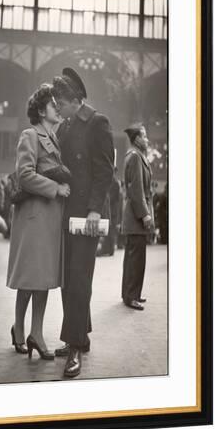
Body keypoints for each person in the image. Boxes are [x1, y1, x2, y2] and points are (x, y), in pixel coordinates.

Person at [53, 67, 114, 378]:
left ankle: (74, 346)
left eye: (60, 103)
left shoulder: (97, 123)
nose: (57, 109)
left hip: (86, 216)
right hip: (66, 213)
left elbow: (105, 173)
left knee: (79, 280)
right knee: (68, 278)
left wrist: (94, 210)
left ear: (74, 100)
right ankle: (80, 335)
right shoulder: (65, 127)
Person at [7, 84, 70, 359]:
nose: (58, 108)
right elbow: (24, 174)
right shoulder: (30, 135)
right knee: (31, 278)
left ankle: (34, 332)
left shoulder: (54, 139)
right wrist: (55, 188)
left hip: (49, 219)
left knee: (42, 278)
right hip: (34, 218)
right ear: (41, 110)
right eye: (53, 104)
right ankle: (21, 329)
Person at [121, 123, 154, 310]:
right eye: (145, 136)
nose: (147, 139)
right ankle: (131, 296)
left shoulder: (137, 156)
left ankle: (130, 294)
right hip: (136, 217)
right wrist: (145, 215)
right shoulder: (134, 157)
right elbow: (136, 190)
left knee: (132, 258)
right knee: (136, 259)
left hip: (135, 217)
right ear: (137, 139)